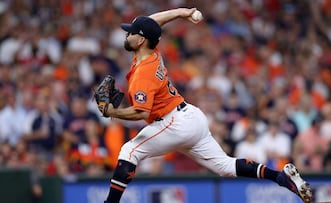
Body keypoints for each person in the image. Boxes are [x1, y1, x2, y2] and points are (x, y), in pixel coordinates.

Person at [97, 8, 312, 203]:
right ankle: (281, 177)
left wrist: (111, 111)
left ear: (142, 40)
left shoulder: (143, 73)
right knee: (225, 167)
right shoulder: (150, 51)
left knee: (130, 150)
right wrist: (182, 12)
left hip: (174, 123)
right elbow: (152, 23)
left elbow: (140, 112)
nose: (127, 34)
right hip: (190, 117)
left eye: (131, 32)